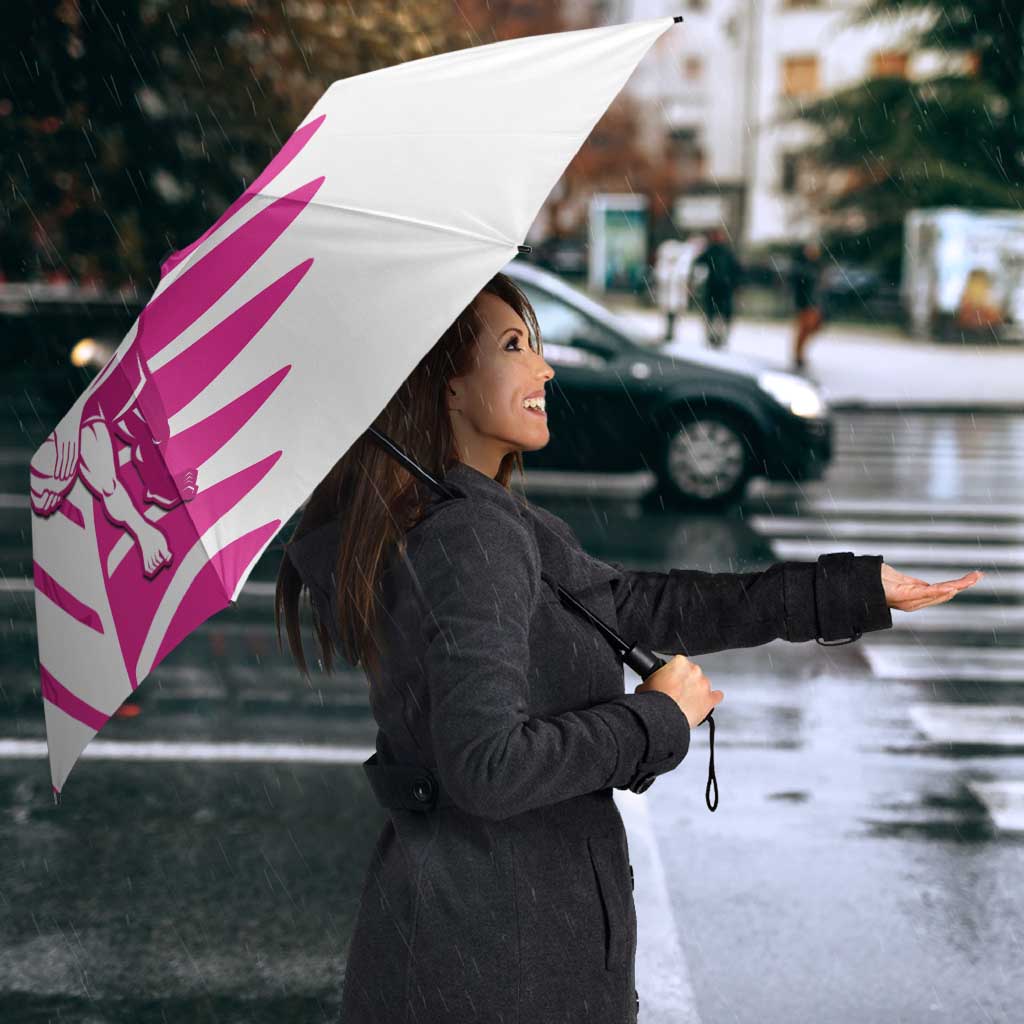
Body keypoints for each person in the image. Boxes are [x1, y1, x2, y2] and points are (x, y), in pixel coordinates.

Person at [274, 271, 975, 1024]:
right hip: (499, 963)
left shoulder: (473, 518)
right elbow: (487, 767)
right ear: (445, 385)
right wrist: (656, 719)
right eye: (514, 346)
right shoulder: (469, 537)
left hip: (474, 943)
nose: (544, 368)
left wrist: (850, 591)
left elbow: (639, 605)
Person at [692, 226, 742, 349]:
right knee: (713, 314)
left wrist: (735, 284)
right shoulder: (712, 251)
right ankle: (713, 337)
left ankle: (719, 337)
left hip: (723, 288)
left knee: (720, 315)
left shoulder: (725, 252)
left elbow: (736, 270)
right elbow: (698, 264)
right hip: (715, 288)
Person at [790, 239, 826, 370]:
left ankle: (799, 354)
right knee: (804, 329)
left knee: (812, 328)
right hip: (805, 303)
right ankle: (798, 355)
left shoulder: (817, 266)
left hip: (814, 303)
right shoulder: (802, 267)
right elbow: (799, 286)